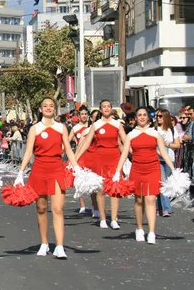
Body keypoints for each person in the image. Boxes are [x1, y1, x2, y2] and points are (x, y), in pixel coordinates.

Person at [15, 98, 79, 259]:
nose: (48, 108)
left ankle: (59, 246)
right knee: (41, 208)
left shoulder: (61, 127)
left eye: (51, 106)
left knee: (58, 208)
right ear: (41, 109)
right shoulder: (35, 129)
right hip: (39, 170)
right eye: (45, 106)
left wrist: (76, 167)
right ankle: (44, 243)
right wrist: (20, 173)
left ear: (55, 109)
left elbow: (68, 149)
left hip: (57, 168)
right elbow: (28, 151)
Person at [115, 107, 177, 244]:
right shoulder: (131, 135)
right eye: (139, 115)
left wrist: (174, 170)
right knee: (138, 201)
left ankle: (152, 232)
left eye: (144, 115)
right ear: (135, 118)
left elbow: (164, 153)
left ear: (148, 118)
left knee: (151, 200)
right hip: (137, 169)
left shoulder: (155, 134)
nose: (142, 117)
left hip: (153, 169)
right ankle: (139, 228)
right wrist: (117, 171)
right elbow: (125, 154)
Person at [76, 100, 127, 229]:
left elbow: (125, 142)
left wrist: (135, 154)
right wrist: (75, 158)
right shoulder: (96, 125)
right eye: (104, 106)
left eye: (108, 106)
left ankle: (114, 219)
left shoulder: (117, 124)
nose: (106, 108)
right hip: (99, 159)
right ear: (100, 109)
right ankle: (103, 218)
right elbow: (87, 142)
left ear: (111, 109)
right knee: (101, 189)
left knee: (115, 188)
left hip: (114, 157)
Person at [68, 105, 91, 214]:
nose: (84, 116)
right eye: (82, 114)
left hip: (91, 154)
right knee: (79, 180)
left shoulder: (92, 127)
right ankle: (82, 205)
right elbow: (66, 141)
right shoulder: (75, 128)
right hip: (80, 155)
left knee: (93, 180)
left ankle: (95, 206)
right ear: (79, 115)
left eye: (86, 114)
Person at [155, 109, 178, 217]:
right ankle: (166, 208)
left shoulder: (172, 130)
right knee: (162, 181)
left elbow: (177, 145)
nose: (158, 118)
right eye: (156, 116)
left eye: (160, 116)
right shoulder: (155, 129)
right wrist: (158, 151)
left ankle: (158, 206)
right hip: (158, 159)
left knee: (166, 183)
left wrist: (167, 144)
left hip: (169, 158)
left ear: (165, 117)